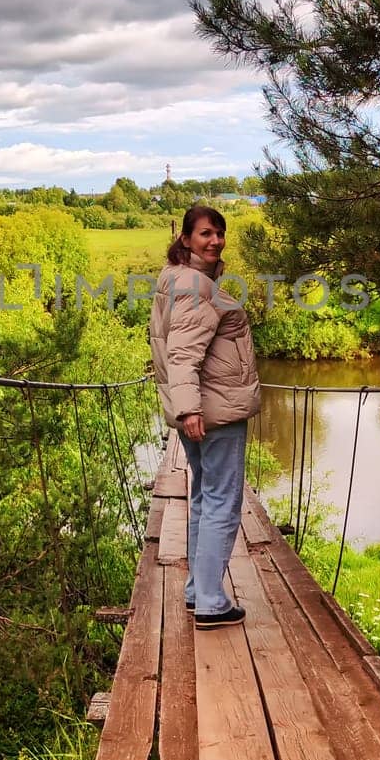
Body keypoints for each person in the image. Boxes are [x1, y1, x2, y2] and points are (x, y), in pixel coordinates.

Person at [148, 204, 261, 629]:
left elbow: (170, 347)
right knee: (222, 502)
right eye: (205, 234)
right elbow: (181, 354)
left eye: (220, 233)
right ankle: (212, 600)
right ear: (186, 239)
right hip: (216, 412)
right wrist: (190, 408)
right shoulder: (197, 287)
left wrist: (184, 409)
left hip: (198, 409)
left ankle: (199, 589)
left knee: (202, 496)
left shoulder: (173, 278)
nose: (215, 241)